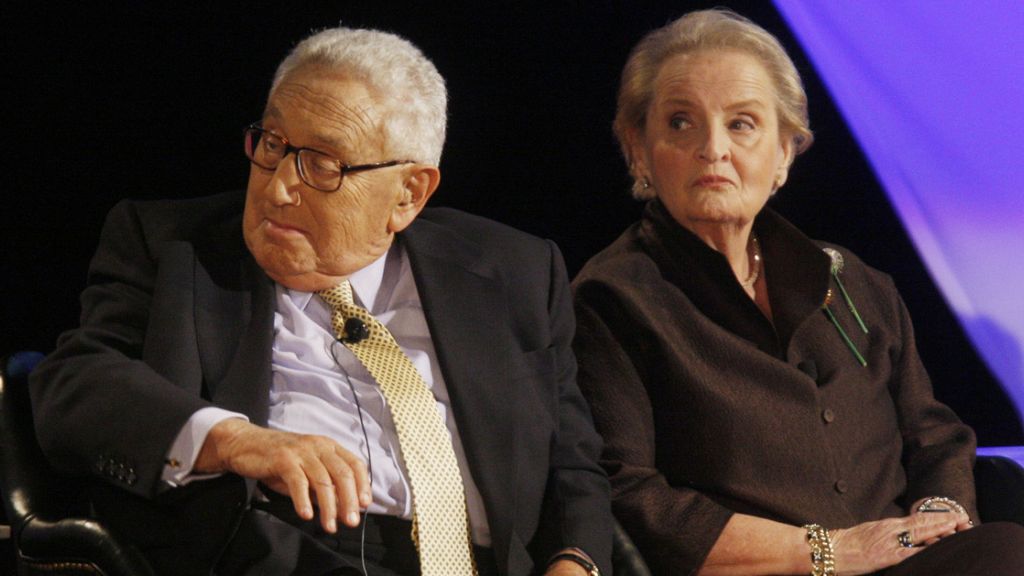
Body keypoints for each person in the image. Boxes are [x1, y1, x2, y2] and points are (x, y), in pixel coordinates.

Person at [29, 26, 611, 576]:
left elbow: (572, 461)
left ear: (409, 193)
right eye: (273, 144)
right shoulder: (170, 246)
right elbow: (74, 383)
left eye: (323, 165)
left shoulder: (515, 272)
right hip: (273, 552)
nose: (279, 186)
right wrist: (235, 441)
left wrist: (576, 559)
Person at [571, 8, 1024, 576]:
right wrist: (830, 551)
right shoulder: (611, 299)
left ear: (785, 152)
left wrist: (935, 516)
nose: (714, 148)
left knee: (1007, 548)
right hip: (763, 570)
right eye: (682, 123)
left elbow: (934, 435)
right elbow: (629, 495)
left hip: (903, 562)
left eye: (742, 124)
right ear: (638, 149)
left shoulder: (853, 279)